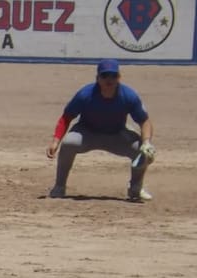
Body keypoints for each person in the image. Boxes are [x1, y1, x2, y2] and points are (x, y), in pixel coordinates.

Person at [46, 58, 156, 202]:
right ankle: (59, 186)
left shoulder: (128, 96)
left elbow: (144, 121)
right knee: (69, 143)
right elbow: (66, 117)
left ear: (119, 78)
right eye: (104, 76)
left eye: (113, 76)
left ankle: (136, 189)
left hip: (116, 135)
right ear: (97, 78)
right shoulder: (85, 94)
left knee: (142, 151)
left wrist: (147, 142)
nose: (109, 80)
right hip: (87, 133)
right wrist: (56, 141)